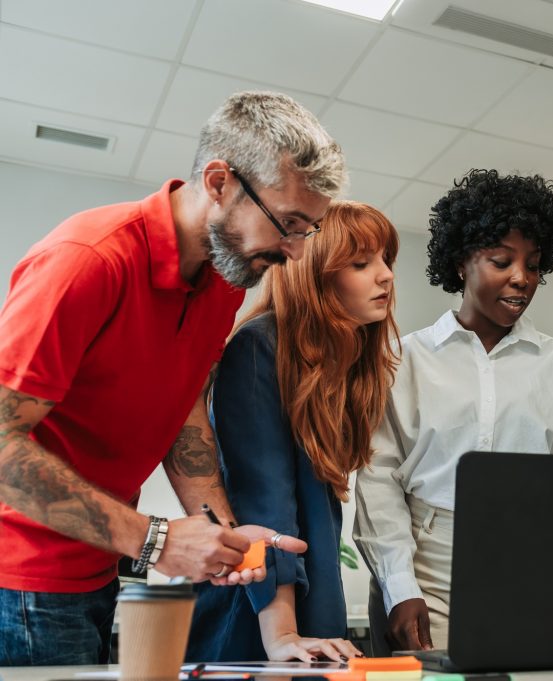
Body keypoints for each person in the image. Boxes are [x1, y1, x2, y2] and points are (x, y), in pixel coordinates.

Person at [0, 91, 345, 665]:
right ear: (219, 183)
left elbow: (184, 411)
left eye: (306, 229)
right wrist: (154, 540)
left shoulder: (221, 283)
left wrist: (222, 532)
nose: (295, 251)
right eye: (287, 223)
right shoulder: (88, 260)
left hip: (97, 570)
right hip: (21, 579)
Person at [354, 169, 553, 654]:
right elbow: (379, 478)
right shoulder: (403, 359)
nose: (522, 278)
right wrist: (400, 587)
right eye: (502, 261)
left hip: (527, 563)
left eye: (534, 265)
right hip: (427, 562)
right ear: (462, 262)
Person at [187, 201, 400, 663]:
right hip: (257, 610)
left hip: (309, 602)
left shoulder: (340, 367)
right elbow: (265, 505)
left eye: (386, 260)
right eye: (361, 264)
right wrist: (282, 633)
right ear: (315, 273)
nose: (385, 276)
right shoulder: (260, 347)